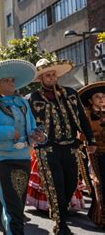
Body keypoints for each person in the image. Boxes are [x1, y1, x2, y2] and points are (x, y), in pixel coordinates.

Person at [0, 59, 45, 235]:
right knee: (12, 206)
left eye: (12, 80)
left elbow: (33, 127)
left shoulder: (23, 103)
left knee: (17, 206)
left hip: (24, 158)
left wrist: (39, 135)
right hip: (3, 160)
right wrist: (9, 132)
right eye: (6, 80)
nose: (11, 83)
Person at [29, 59, 96, 234]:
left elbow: (82, 117)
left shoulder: (70, 93)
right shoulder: (34, 98)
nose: (51, 78)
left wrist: (90, 140)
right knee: (55, 185)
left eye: (53, 74)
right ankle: (60, 223)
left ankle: (61, 212)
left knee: (72, 184)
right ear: (41, 78)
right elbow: (32, 124)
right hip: (47, 149)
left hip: (71, 147)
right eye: (47, 75)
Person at [78, 81, 105, 228]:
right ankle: (100, 217)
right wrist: (94, 136)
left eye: (103, 96)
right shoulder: (86, 115)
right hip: (95, 154)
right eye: (97, 96)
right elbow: (81, 136)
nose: (101, 99)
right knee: (100, 184)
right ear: (90, 100)